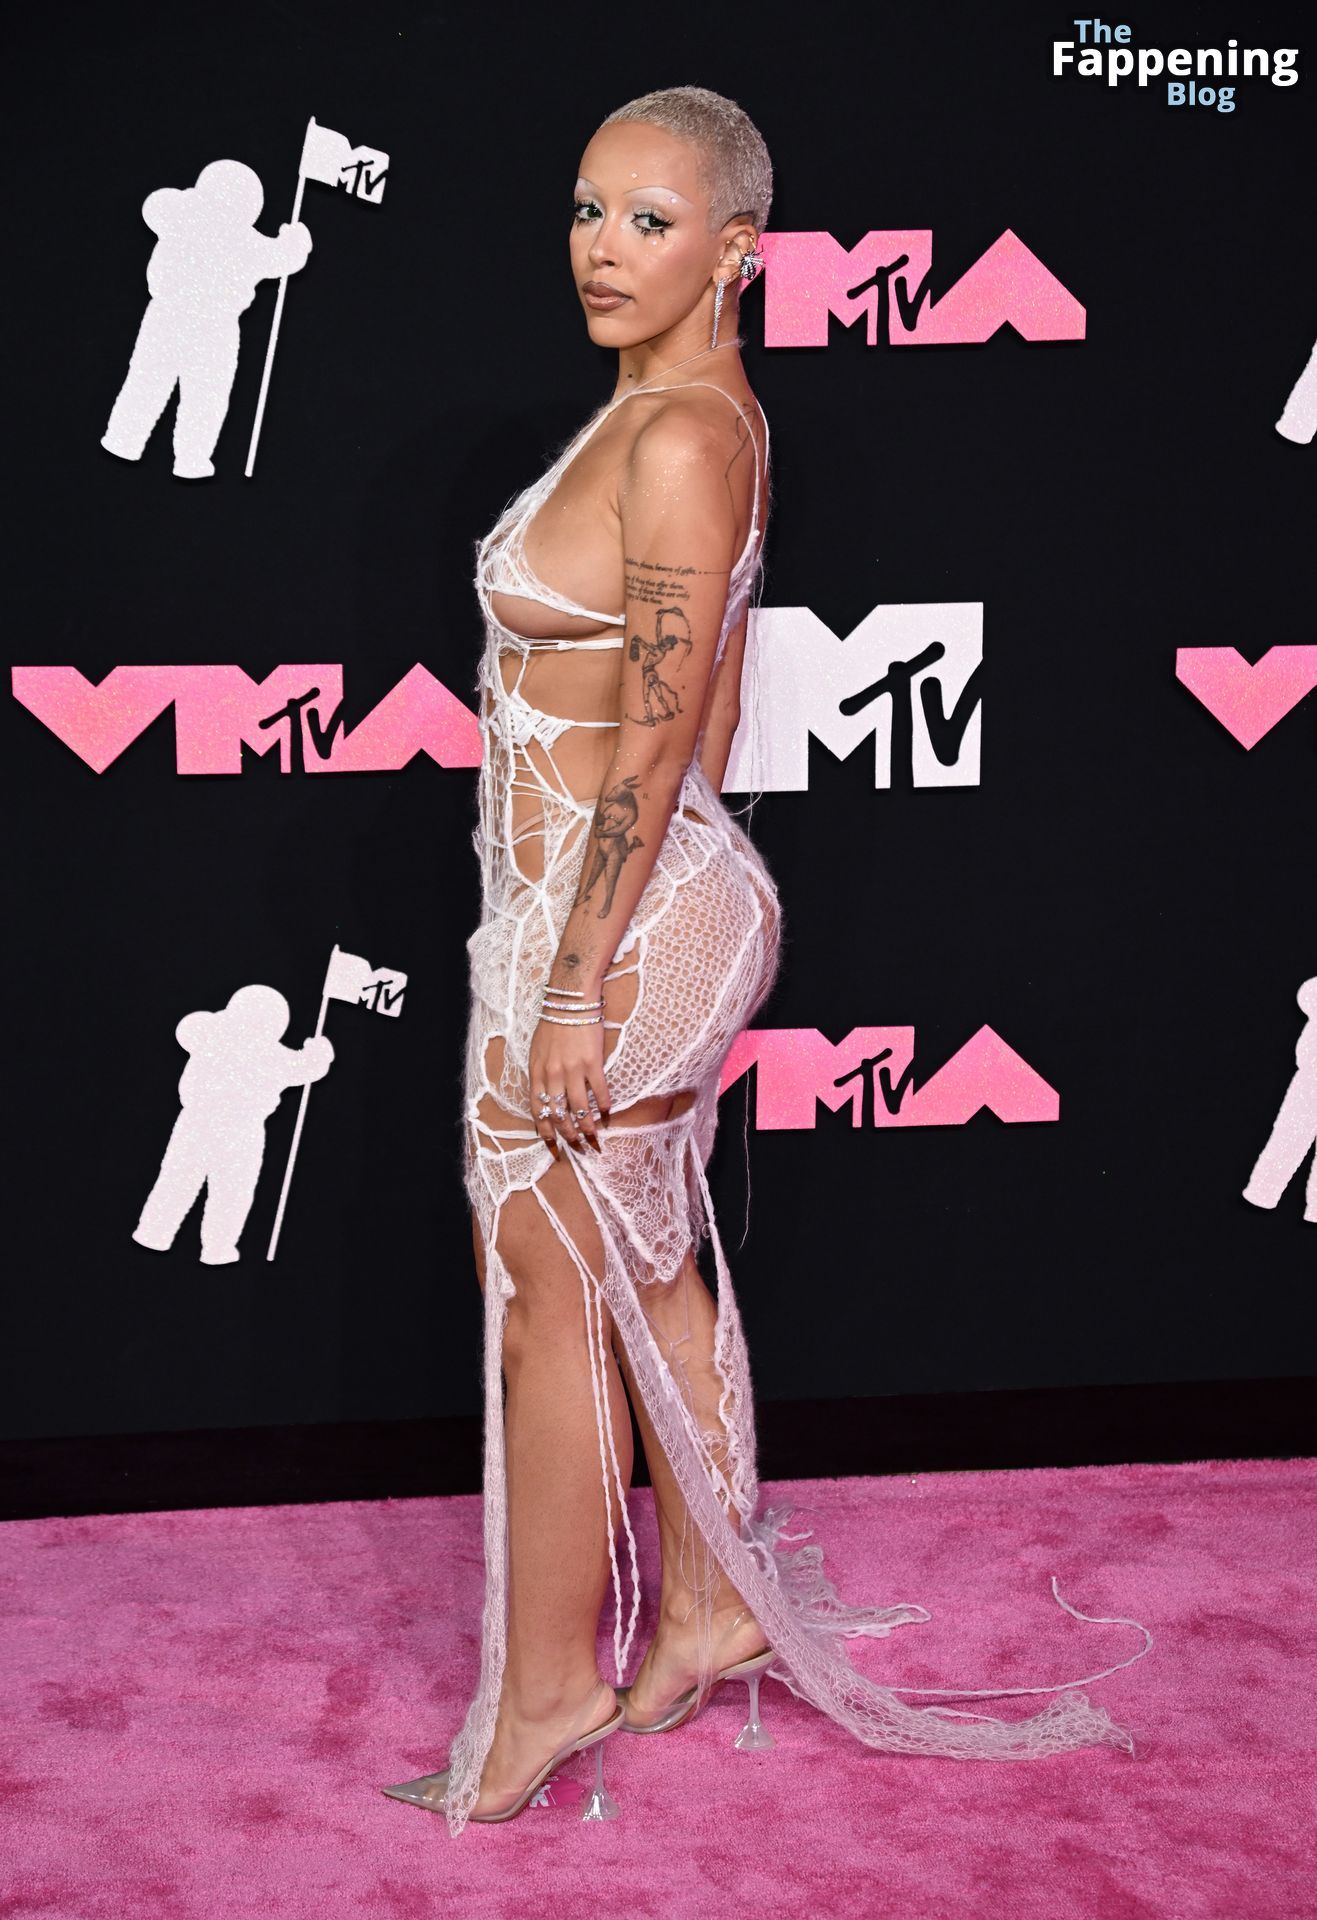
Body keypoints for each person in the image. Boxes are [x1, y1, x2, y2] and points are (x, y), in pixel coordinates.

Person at [382, 85, 1151, 1838]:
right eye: (586, 210)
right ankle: (711, 1607)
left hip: (612, 920)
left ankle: (550, 1686)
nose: (600, 249)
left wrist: (577, 977)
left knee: (547, 1298)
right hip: (621, 900)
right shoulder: (682, 414)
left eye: (648, 221)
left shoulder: (681, 436)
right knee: (640, 1266)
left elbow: (660, 738)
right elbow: (700, 711)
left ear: (738, 248)